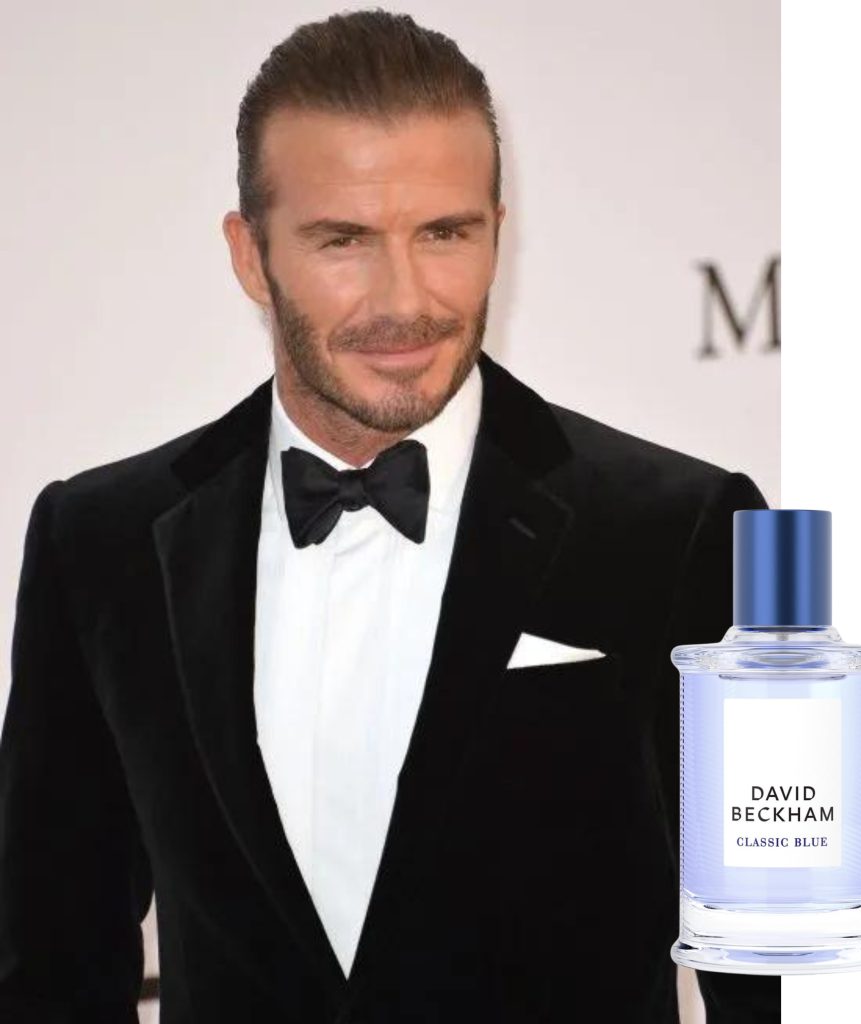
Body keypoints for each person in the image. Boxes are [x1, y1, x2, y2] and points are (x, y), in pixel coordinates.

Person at [0, 10, 779, 1023]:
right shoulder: (100, 542)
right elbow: (50, 963)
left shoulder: (681, 532)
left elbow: (776, 968)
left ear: (497, 231)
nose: (403, 300)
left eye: (444, 233)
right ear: (250, 255)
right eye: (343, 240)